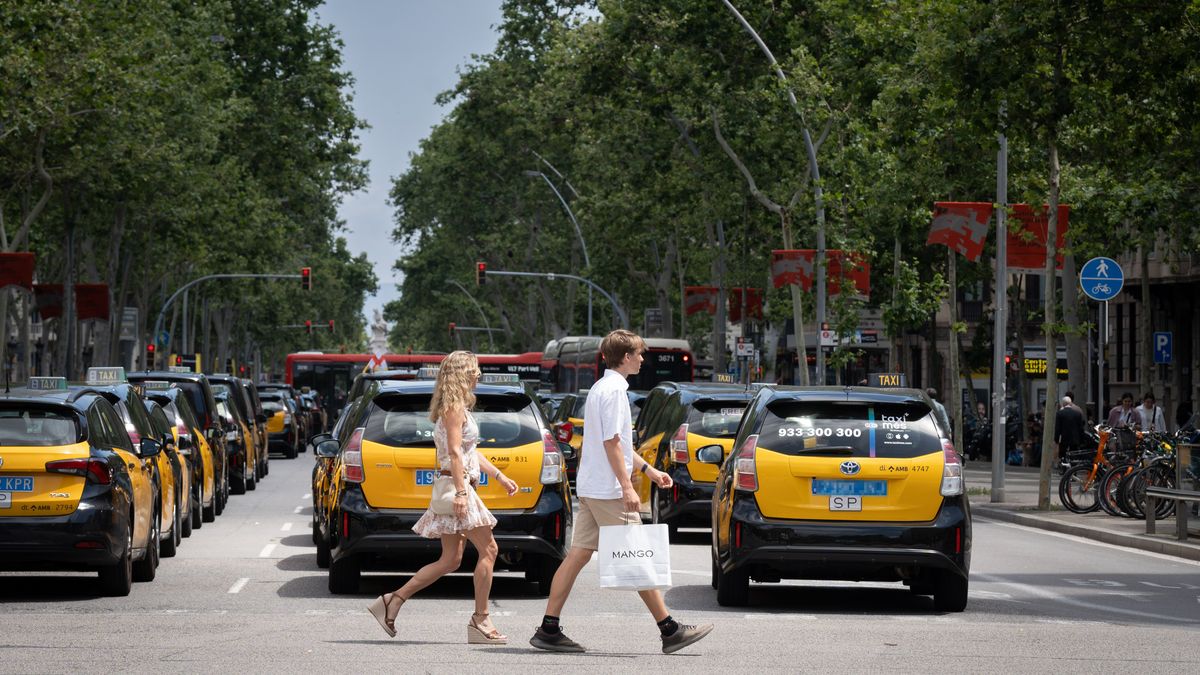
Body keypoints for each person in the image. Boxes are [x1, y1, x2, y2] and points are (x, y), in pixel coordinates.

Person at [529, 329, 713, 655]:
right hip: (609, 490)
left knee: (577, 556)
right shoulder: (614, 392)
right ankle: (669, 630)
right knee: (639, 556)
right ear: (626, 357)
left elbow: (619, 444)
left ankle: (548, 628)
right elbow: (612, 443)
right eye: (639, 354)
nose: (643, 359)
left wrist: (648, 470)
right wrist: (628, 486)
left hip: (593, 486)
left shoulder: (603, 388)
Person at [367, 351, 520, 643]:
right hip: (457, 487)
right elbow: (454, 452)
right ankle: (481, 620)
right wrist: (463, 492)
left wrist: (499, 476)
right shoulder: (454, 408)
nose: (479, 375)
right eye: (475, 370)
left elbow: (469, 452)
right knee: (489, 551)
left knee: (450, 559)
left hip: (457, 484)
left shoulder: (458, 407)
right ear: (462, 373)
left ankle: (392, 600)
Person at [1054, 395, 1086, 465]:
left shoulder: (1060, 413)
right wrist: (1082, 440)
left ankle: (1064, 467)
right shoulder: (1077, 414)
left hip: (1064, 438)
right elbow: (1081, 428)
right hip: (1075, 438)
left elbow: (1058, 428)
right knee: (1074, 455)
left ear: (1063, 404)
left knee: (1063, 454)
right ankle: (1074, 470)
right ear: (1070, 403)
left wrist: (1056, 439)